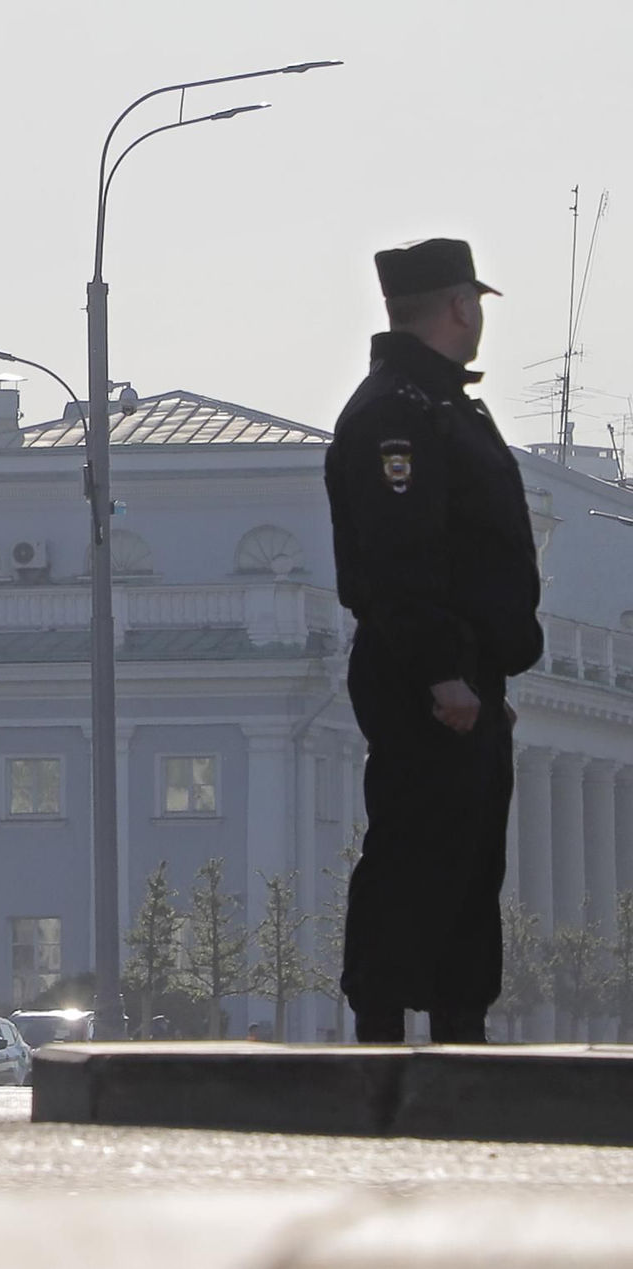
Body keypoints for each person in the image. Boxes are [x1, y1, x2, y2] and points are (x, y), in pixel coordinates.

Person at [325, 238, 543, 1046]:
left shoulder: (441, 404)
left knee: (467, 858)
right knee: (417, 848)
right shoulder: (398, 412)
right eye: (475, 302)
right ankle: (382, 1032)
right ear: (459, 305)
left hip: (466, 675)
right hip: (424, 674)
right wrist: (445, 671)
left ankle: (460, 1025)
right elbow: (401, 557)